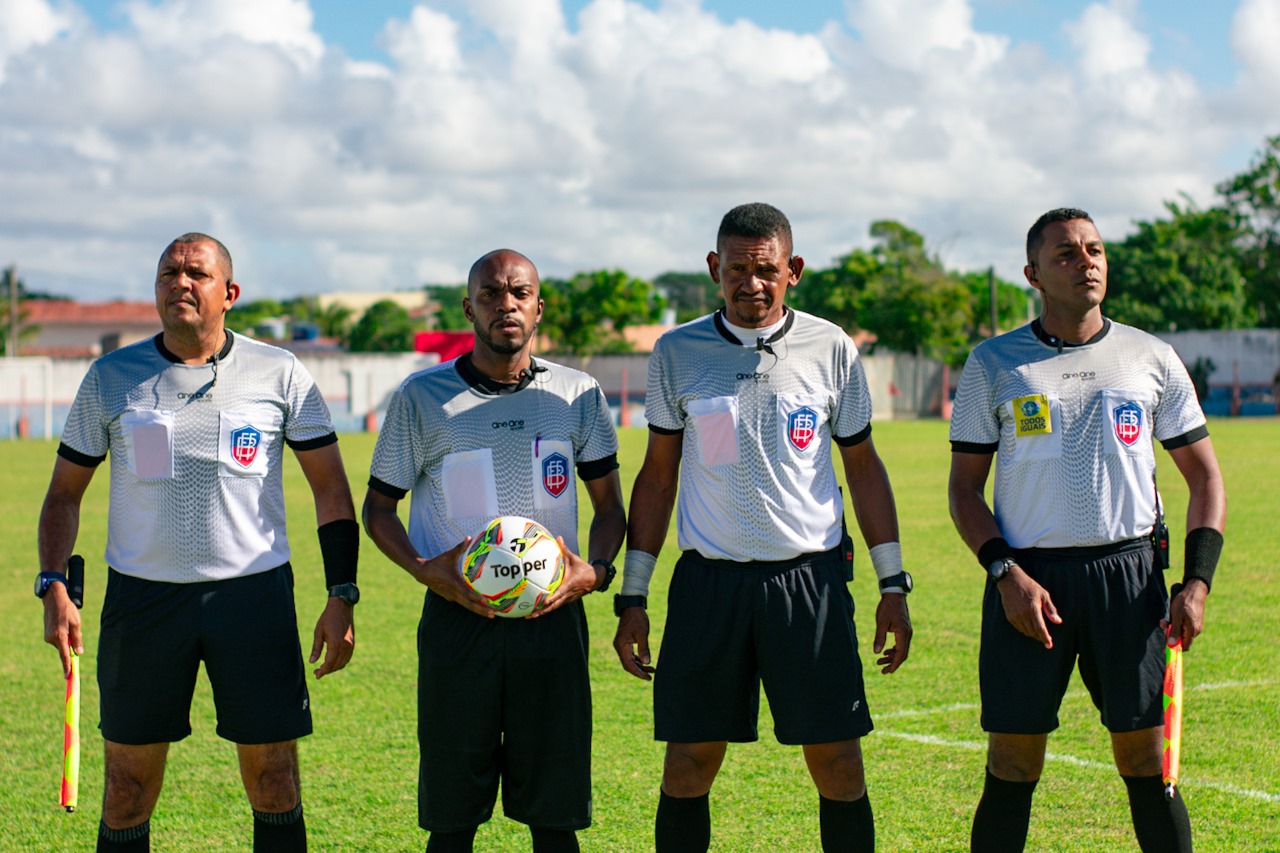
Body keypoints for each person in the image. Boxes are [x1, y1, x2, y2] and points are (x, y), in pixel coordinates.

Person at [36, 233, 360, 853]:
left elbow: (332, 492)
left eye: (196, 273)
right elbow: (62, 496)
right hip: (143, 602)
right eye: (168, 273)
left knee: (274, 780)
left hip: (254, 598)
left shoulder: (279, 371)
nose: (180, 283)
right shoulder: (111, 376)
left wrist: (341, 592)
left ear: (229, 293)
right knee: (127, 786)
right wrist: (53, 583)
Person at [613, 202, 913, 852]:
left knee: (838, 765)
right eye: (738, 269)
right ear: (715, 268)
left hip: (809, 582)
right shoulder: (677, 351)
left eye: (767, 269)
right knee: (688, 766)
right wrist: (633, 595)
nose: (752, 283)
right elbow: (658, 475)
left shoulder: (830, 347)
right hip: (708, 586)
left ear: (793, 270)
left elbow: (862, 468)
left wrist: (894, 583)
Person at [948, 208, 1227, 853]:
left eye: (1094, 250)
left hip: (1128, 582)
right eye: (1067, 254)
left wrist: (1197, 583)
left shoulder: (1150, 357)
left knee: (1145, 764)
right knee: (1013, 764)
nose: (1086, 263)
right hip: (1028, 585)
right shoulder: (994, 362)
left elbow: (1206, 480)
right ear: (1033, 274)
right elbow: (964, 493)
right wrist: (1003, 573)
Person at [362, 249, 625, 853]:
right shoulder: (421, 398)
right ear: (469, 307)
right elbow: (378, 511)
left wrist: (596, 571)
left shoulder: (578, 394)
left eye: (518, 292)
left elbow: (610, 509)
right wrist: (429, 572)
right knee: (452, 820)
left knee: (555, 819)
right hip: (459, 622)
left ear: (538, 305)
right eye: (490, 294)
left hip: (553, 619)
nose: (505, 304)